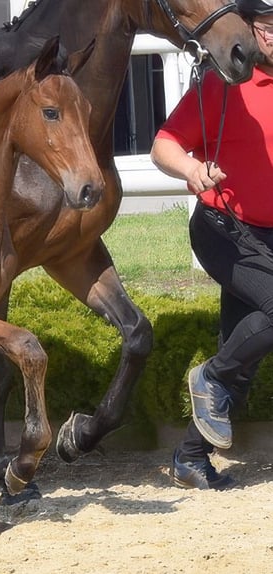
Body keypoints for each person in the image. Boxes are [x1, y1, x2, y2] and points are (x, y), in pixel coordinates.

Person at [150, 0, 273, 489]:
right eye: (266, 25)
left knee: (243, 349)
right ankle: (213, 376)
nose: (272, 35)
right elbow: (164, 143)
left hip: (266, 239)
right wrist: (193, 171)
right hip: (225, 230)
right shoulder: (227, 86)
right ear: (249, 28)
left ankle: (189, 457)